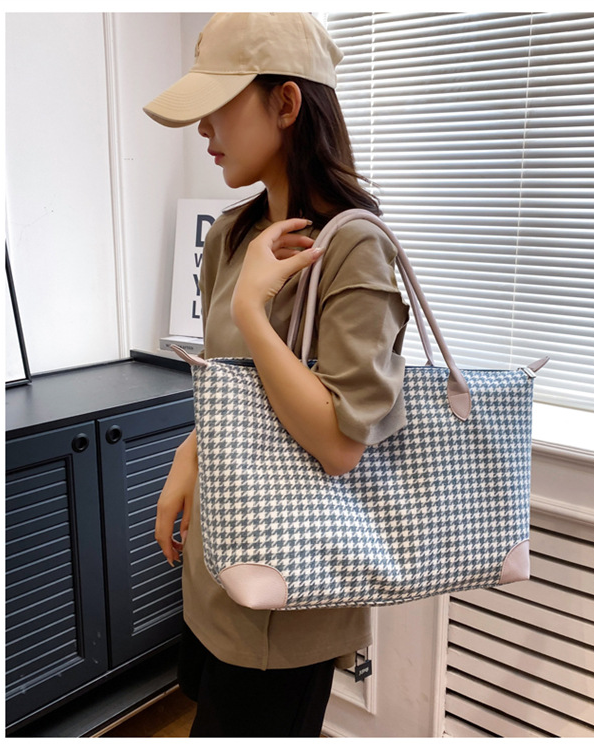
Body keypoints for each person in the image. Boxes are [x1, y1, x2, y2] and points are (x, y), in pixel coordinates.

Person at [144, 13, 409, 737]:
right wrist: (188, 455)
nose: (203, 128)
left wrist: (252, 313)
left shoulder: (353, 247)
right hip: (216, 557)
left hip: (290, 588)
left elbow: (341, 444)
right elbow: (231, 392)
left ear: (286, 103)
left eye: (219, 104)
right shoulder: (231, 236)